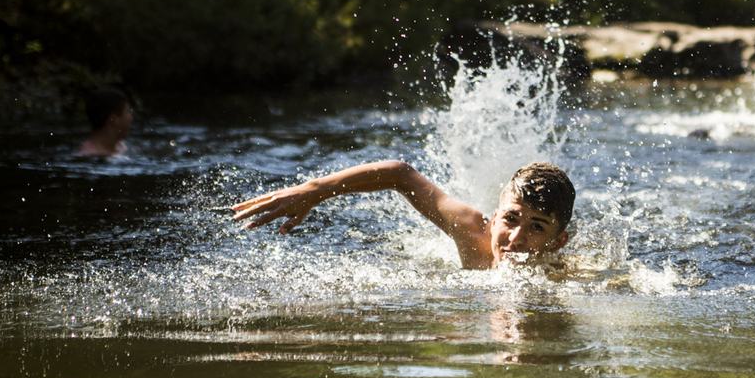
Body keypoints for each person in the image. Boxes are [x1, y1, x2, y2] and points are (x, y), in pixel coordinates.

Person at [232, 161, 575, 270]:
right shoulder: (471, 230)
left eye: (537, 227)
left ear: (558, 243)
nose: (516, 238)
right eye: (511, 220)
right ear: (497, 217)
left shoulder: (564, 280)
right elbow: (400, 175)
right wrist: (314, 190)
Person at [77, 87, 132, 157]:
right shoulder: (88, 154)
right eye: (127, 113)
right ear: (113, 119)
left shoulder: (121, 146)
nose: (131, 118)